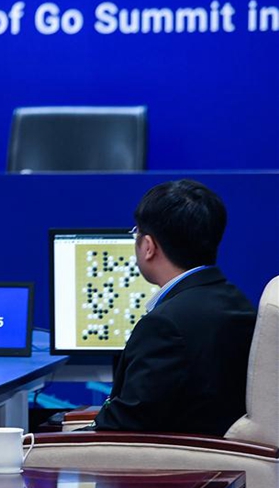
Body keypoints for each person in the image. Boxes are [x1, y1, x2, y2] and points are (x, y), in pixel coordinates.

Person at [93, 179, 256, 436]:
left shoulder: (164, 325)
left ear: (149, 247)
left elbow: (125, 424)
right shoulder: (236, 301)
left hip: (171, 456)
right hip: (216, 449)